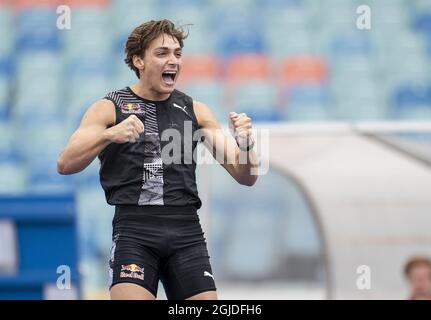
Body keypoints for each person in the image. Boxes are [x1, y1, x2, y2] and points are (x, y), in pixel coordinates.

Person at [57, 19, 259, 300]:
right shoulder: (109, 107)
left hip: (186, 233)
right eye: (162, 53)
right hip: (134, 231)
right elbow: (65, 164)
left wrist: (247, 144)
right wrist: (110, 134)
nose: (173, 60)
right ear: (138, 60)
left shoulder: (195, 110)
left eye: (177, 53)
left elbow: (245, 176)